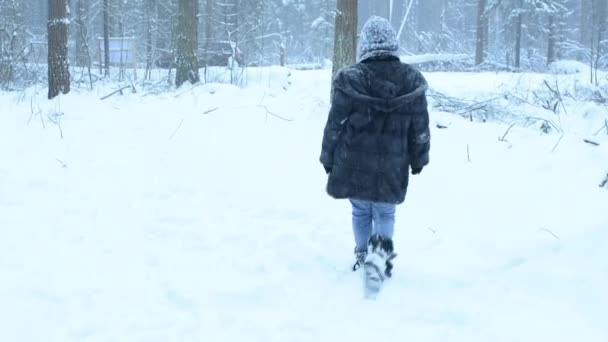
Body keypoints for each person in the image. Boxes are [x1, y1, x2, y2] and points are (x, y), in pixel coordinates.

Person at [319, 16, 431, 272]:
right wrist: (419, 157)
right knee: (385, 212)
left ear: (365, 45)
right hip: (393, 161)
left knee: (360, 210)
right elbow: (420, 128)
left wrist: (328, 158)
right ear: (392, 43)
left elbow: (334, 124)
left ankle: (362, 254)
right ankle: (380, 258)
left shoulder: (350, 78)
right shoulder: (411, 80)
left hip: (355, 161)